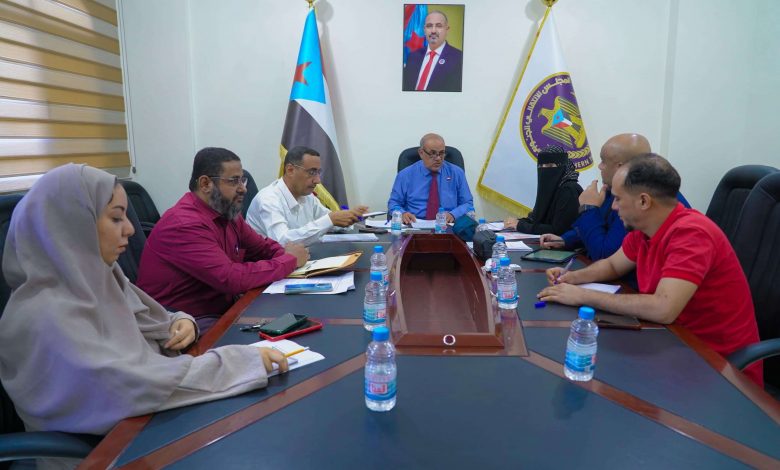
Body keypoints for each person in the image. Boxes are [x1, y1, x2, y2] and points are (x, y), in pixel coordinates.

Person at [0, 164, 289, 454]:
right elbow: (124, 386)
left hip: (144, 424)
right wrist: (237, 363)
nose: (129, 228)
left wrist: (181, 321)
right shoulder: (43, 315)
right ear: (73, 225)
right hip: (98, 453)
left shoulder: (98, 276)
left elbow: (152, 317)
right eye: (116, 218)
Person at [537, 154, 763, 386]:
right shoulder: (644, 230)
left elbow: (663, 308)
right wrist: (571, 277)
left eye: (618, 199)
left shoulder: (692, 233)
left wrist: (582, 296)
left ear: (644, 201)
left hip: (717, 368)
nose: (613, 207)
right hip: (672, 344)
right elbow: (612, 265)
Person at [137, 147, 309, 332]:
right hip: (183, 323)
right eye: (234, 181)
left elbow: (263, 248)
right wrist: (289, 260)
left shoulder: (228, 213)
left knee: (296, 318)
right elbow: (231, 279)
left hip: (222, 309)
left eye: (242, 180)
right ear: (205, 184)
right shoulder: (184, 224)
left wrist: (284, 255)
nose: (243, 188)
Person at [539, 134, 690, 260]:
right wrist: (566, 240)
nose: (600, 167)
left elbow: (604, 254)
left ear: (621, 167)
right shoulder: (615, 190)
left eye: (603, 161)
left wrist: (588, 209)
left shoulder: (639, 200)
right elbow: (602, 225)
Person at [246, 146, 368, 246]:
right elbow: (282, 241)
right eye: (312, 172)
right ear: (290, 170)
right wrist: (330, 219)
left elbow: (327, 221)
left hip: (299, 259)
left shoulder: (307, 196)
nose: (318, 180)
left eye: (318, 172)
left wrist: (349, 217)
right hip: (267, 263)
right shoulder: (268, 199)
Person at [388, 133, 473, 224]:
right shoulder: (405, 175)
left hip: (447, 224)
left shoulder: (456, 173)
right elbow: (393, 203)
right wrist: (403, 213)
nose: (438, 158)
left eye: (441, 153)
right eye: (432, 153)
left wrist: (453, 214)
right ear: (421, 153)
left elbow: (468, 204)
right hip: (415, 224)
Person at [503, 145, 582, 235]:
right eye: (541, 166)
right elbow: (536, 219)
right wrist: (516, 222)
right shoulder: (550, 188)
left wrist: (520, 225)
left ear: (562, 166)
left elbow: (559, 231)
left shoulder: (569, 190)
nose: (545, 170)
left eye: (550, 165)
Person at [402, 10, 463, 92]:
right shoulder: (413, 56)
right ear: (424, 30)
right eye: (429, 26)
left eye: (439, 26)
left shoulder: (459, 59)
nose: (433, 31)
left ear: (447, 30)